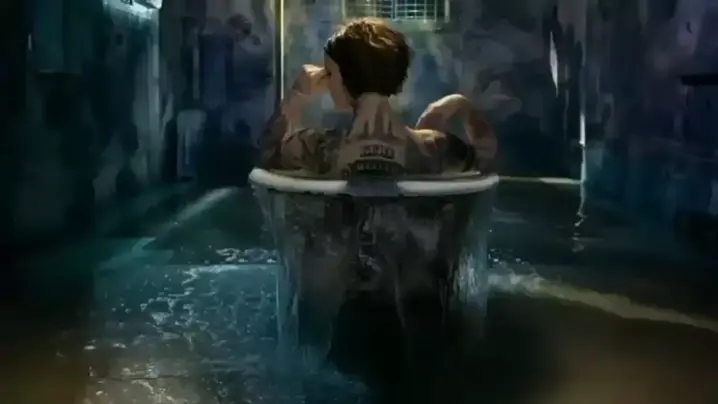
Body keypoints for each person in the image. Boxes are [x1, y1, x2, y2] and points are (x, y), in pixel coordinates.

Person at [258, 18, 497, 177]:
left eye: (329, 73)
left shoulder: (319, 149)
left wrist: (296, 96)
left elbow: (266, 160)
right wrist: (461, 104)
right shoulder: (432, 148)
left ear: (345, 78)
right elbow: (486, 157)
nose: (327, 82)